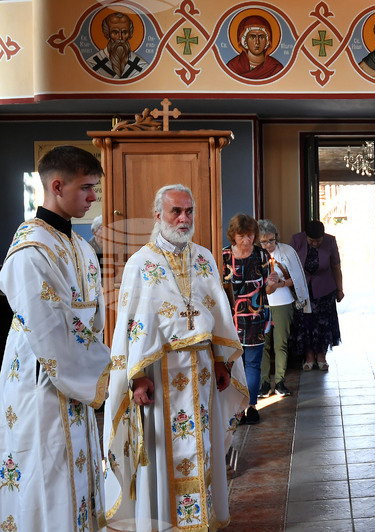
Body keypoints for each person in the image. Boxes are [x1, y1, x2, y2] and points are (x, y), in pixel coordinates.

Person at [104, 184, 248, 530]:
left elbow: (218, 313)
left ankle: (200, 520)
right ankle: (163, 523)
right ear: (158, 216)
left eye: (189, 211)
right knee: (160, 456)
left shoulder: (204, 257)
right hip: (158, 375)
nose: (184, 218)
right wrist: (136, 378)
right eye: (175, 211)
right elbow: (131, 326)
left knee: (203, 446)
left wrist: (219, 360)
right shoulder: (141, 263)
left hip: (200, 371)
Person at [0, 146, 111, 530]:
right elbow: (50, 329)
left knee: (78, 472)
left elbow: (92, 321)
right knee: (46, 472)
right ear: (57, 186)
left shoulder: (82, 247)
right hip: (42, 382)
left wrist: (95, 366)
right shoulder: (30, 251)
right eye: (86, 188)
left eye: (94, 187)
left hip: (76, 377)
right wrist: (104, 372)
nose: (94, 197)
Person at [222, 214, 271, 424]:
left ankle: (251, 406)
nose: (247, 240)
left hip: (256, 317)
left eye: (250, 235)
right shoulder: (224, 256)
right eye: (242, 236)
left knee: (253, 363)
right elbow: (220, 288)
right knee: (233, 363)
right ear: (233, 236)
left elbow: (269, 287)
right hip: (230, 319)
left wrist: (275, 281)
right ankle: (235, 408)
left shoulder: (261, 255)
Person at [257, 219, 310, 398]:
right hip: (262, 303)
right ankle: (264, 382)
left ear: (276, 237)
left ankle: (279, 381)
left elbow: (297, 278)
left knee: (281, 343)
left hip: (283, 302)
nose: (268, 245)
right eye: (263, 241)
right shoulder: (256, 254)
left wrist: (280, 283)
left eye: (271, 240)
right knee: (262, 344)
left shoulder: (287, 251)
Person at [291, 221, 343, 371]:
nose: (315, 243)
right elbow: (289, 265)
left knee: (323, 324)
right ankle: (309, 357)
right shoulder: (296, 240)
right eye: (311, 240)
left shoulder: (330, 241)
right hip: (302, 289)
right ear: (306, 236)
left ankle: (322, 357)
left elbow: (336, 266)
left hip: (325, 289)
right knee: (306, 324)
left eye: (318, 241)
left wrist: (340, 289)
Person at [86, 11, 149, 79]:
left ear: (130, 34)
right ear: (107, 34)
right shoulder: (92, 64)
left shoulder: (141, 66)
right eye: (115, 32)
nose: (120, 37)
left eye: (125, 32)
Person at [225, 15, 285, 79]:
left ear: (267, 41)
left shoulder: (275, 68)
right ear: (244, 41)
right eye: (252, 37)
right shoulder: (233, 66)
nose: (257, 42)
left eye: (261, 37)